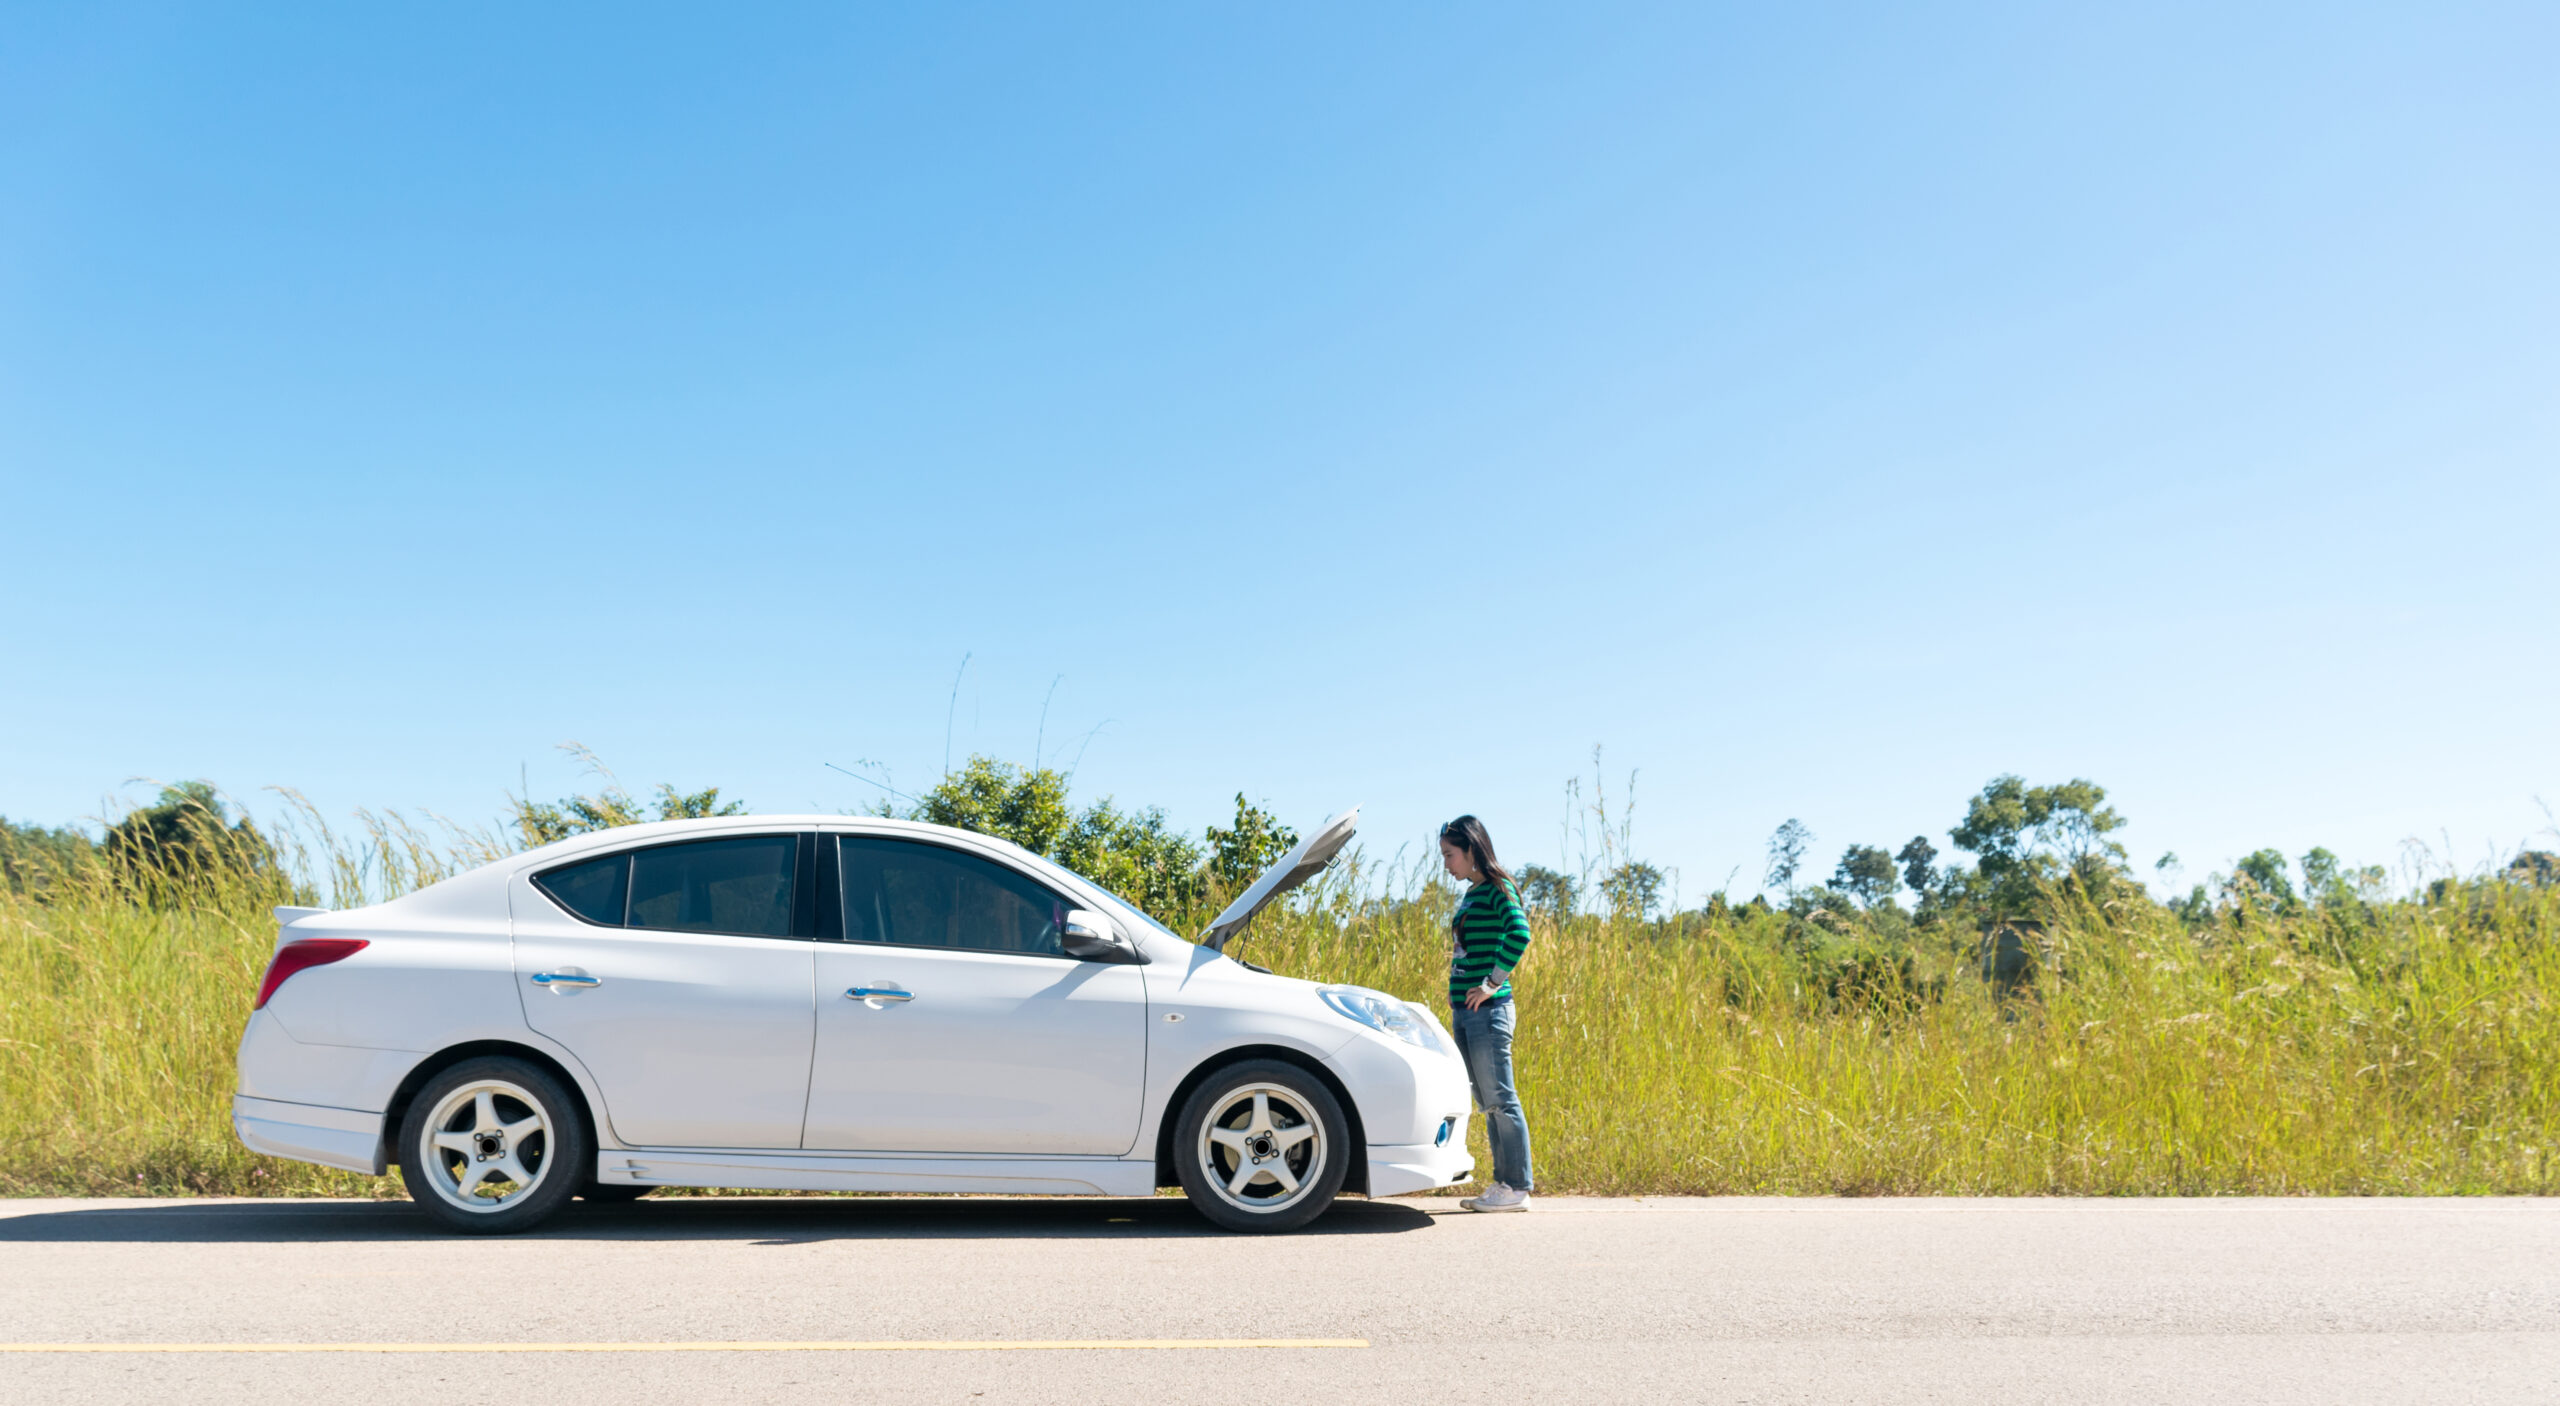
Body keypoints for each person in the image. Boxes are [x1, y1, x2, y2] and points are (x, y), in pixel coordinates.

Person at [1440, 815, 1534, 1212]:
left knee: (1500, 1098)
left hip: (1490, 1011)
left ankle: (1516, 1187)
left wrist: (1491, 983)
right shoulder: (1473, 893)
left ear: (1472, 850)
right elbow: (1468, 951)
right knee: (1487, 1100)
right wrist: (1457, 991)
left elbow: (1519, 933)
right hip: (1467, 1011)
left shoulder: (1497, 888)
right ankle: (1503, 1184)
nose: (1446, 864)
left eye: (1450, 855)